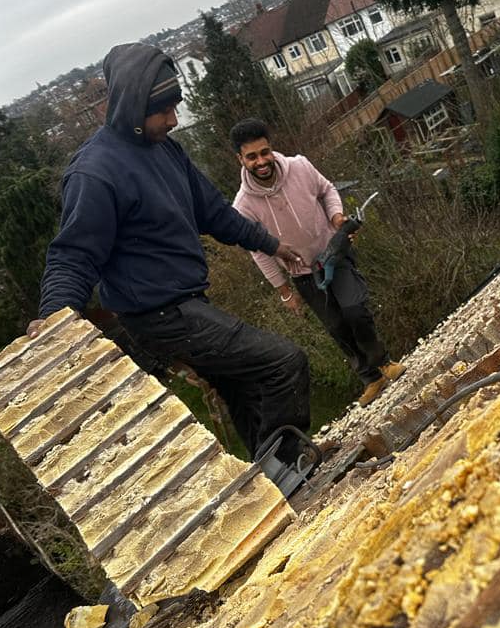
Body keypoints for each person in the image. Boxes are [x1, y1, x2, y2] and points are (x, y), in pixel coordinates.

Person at [28, 43, 310, 464]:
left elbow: (213, 212)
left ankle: (271, 479)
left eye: (175, 107)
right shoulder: (95, 173)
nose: (173, 119)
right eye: (163, 110)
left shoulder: (166, 150)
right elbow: (73, 256)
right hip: (157, 315)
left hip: (187, 302)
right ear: (132, 105)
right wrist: (55, 319)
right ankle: (288, 467)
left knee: (243, 384)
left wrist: (270, 244)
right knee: (284, 362)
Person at [230, 118, 405, 407]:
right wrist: (284, 291)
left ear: (271, 149)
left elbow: (327, 190)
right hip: (303, 273)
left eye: (265, 152)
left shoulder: (300, 167)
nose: (261, 161)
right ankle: (370, 378)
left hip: (334, 254)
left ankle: (384, 362)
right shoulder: (243, 206)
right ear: (241, 159)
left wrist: (337, 217)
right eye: (252, 157)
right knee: (336, 326)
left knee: (354, 310)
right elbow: (259, 252)